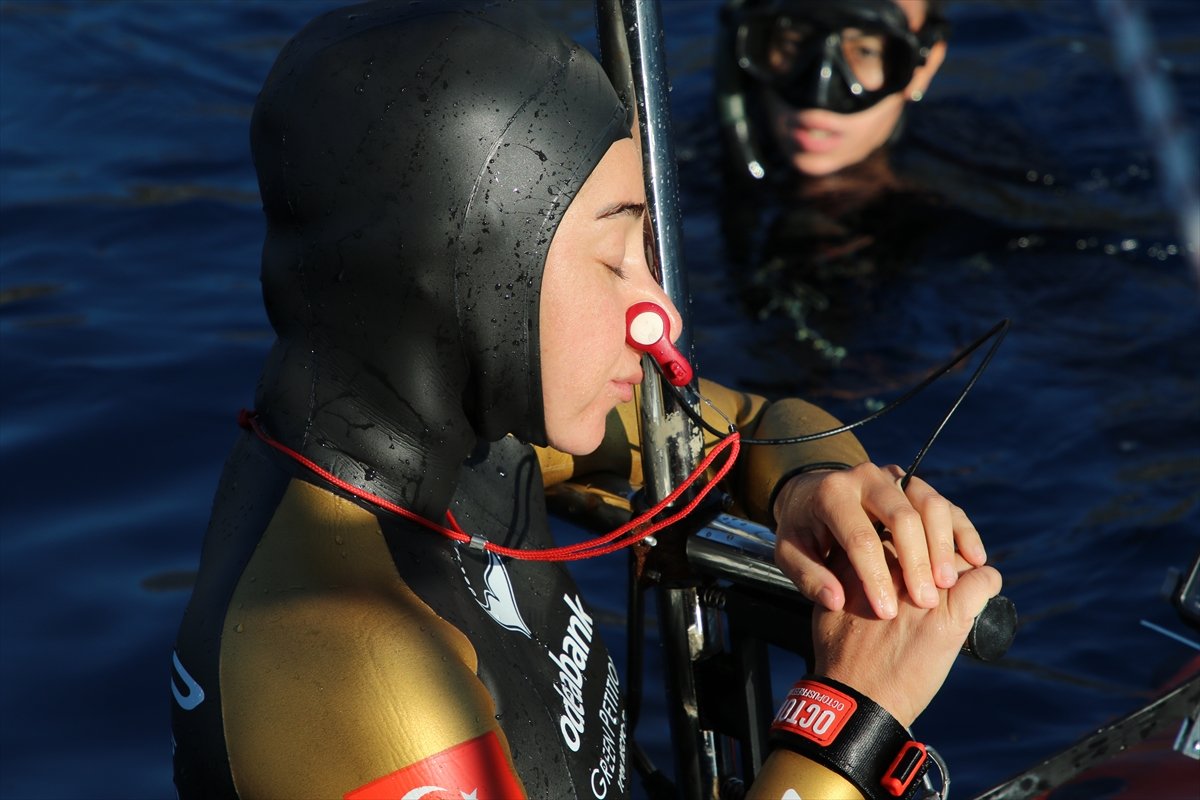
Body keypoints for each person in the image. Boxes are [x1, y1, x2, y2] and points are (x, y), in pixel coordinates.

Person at [169, 2, 1000, 798]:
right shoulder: (348, 660)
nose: (659, 315)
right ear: (467, 275)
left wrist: (817, 487)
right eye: (614, 259)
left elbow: (748, 428)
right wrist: (851, 718)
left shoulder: (480, 444)